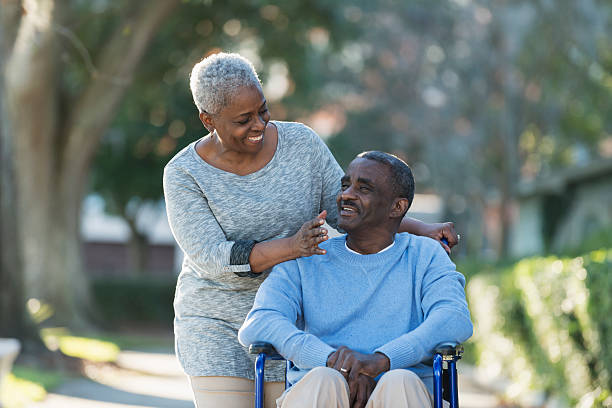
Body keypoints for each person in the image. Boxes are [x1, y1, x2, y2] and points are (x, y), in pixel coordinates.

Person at [163, 52, 459, 408]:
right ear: (207, 119)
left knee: (326, 385)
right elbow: (213, 256)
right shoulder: (184, 174)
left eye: (263, 110)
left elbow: (349, 205)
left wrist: (420, 229)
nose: (259, 124)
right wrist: (293, 247)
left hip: (306, 316)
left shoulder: (300, 144)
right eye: (244, 119)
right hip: (221, 320)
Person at [238, 151, 473, 408]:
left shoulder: (426, 255)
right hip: (322, 392)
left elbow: (453, 317)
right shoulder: (308, 256)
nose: (346, 195)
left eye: (364, 188)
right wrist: (331, 361)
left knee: (400, 381)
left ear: (398, 207)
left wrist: (382, 360)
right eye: (345, 185)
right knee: (323, 380)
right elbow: (259, 322)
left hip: (403, 393)